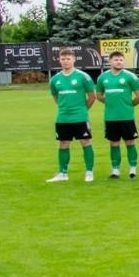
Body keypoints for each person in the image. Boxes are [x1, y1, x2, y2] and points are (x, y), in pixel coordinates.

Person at [47, 47, 96, 183]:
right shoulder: (55, 79)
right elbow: (55, 96)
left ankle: (89, 172)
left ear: (73, 59)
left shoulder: (83, 77)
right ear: (59, 60)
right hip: (63, 117)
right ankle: (63, 173)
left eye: (68, 59)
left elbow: (92, 96)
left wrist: (83, 109)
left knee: (85, 142)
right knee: (63, 144)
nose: (66, 61)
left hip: (80, 117)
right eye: (63, 59)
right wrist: (64, 107)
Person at [94, 49, 139, 179]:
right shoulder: (103, 77)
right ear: (110, 62)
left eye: (121, 59)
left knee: (130, 142)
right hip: (110, 117)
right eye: (116, 59)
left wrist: (128, 104)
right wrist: (109, 102)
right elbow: (98, 95)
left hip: (126, 116)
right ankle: (115, 170)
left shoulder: (130, 76)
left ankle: (133, 169)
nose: (119, 62)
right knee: (114, 143)